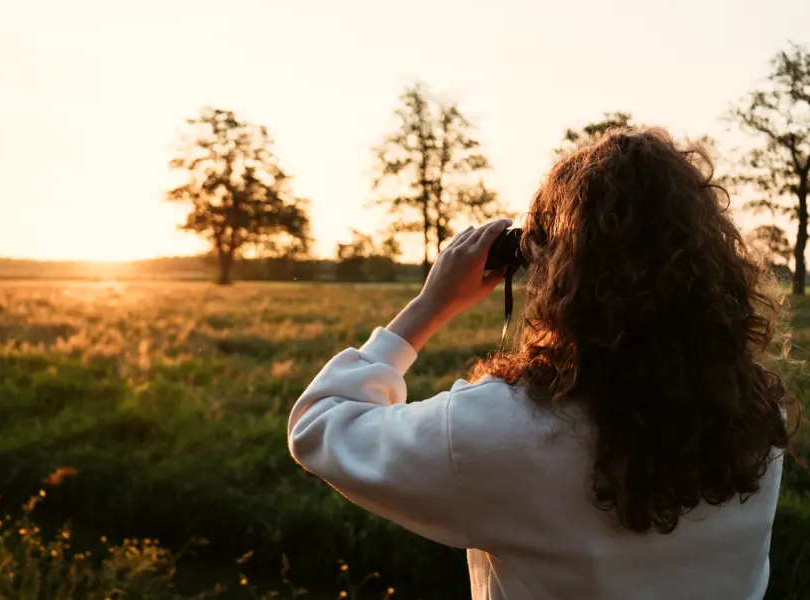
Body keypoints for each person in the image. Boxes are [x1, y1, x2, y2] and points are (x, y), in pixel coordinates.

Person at [287, 129, 798, 599]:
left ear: (557, 275)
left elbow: (320, 423)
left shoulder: (501, 431)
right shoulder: (756, 415)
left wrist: (430, 305)